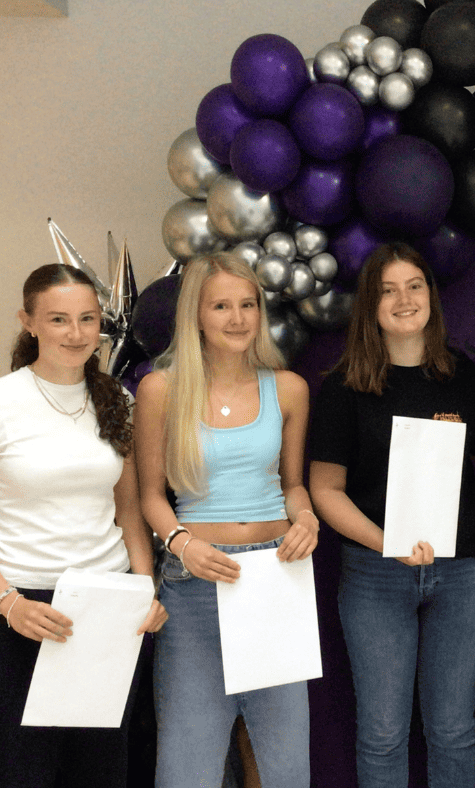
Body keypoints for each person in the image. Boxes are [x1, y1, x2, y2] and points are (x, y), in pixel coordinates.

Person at [0, 263, 168, 788]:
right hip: (18, 609)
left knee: (100, 771)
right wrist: (10, 603)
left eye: (87, 319)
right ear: (29, 322)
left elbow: (130, 513)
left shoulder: (117, 399)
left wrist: (143, 590)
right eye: (59, 319)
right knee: (22, 772)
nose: (76, 333)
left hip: (105, 607)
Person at [309, 242, 475, 788]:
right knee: (382, 734)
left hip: (462, 573)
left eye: (414, 285)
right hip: (375, 575)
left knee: (453, 730)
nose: (403, 299)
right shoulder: (343, 386)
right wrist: (384, 540)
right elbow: (325, 490)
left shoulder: (461, 376)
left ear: (431, 297)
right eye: (387, 290)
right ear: (370, 304)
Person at [134, 252, 317, 788]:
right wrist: (181, 542)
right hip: (192, 585)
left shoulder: (287, 388)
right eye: (221, 306)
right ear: (196, 314)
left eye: (248, 304)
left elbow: (293, 486)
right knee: (187, 766)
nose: (237, 318)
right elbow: (149, 496)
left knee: (287, 765)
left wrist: (306, 519)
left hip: (273, 578)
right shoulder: (160, 390)